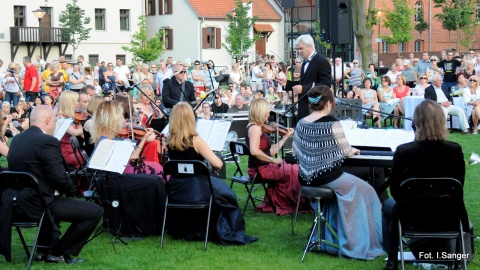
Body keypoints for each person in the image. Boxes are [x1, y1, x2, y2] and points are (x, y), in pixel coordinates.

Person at [292, 85, 384, 259]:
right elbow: (344, 150)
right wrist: (353, 150)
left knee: (358, 189)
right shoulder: (331, 122)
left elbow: (296, 151)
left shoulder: (301, 122)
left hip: (306, 178)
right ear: (328, 103)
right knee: (368, 190)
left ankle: (332, 239)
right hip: (329, 177)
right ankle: (361, 243)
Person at [3, 105, 102, 264]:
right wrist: (72, 191)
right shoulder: (47, 141)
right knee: (94, 211)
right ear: (48, 120)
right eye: (55, 120)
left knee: (55, 197)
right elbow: (59, 176)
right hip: (38, 204)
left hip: (15, 203)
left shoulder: (18, 139)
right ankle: (58, 252)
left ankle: (43, 250)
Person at [382, 100, 467, 270]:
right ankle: (457, 261)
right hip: (448, 215)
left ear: (416, 123)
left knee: (387, 204)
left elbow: (395, 191)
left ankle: (392, 260)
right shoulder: (454, 150)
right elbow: (458, 186)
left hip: (411, 216)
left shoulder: (404, 151)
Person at [165, 102, 257, 245]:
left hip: (177, 189)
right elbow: (218, 164)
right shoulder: (195, 140)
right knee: (228, 195)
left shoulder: (169, 140)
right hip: (197, 189)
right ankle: (227, 229)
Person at [246, 98, 309, 215]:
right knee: (294, 171)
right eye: (267, 111)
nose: (268, 114)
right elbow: (254, 151)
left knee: (293, 166)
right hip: (259, 170)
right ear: (260, 111)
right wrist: (272, 160)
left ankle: (280, 201)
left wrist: (285, 137)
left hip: (264, 166)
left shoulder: (257, 126)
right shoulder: (255, 128)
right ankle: (295, 203)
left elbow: (271, 150)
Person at [92, 100, 162, 175]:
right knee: (158, 168)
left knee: (157, 167)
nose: (121, 118)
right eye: (119, 115)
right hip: (122, 174)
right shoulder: (107, 138)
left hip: (119, 171)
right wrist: (144, 138)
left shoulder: (103, 134)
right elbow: (133, 157)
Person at [278, 34, 331, 120]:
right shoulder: (304, 63)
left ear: (309, 46)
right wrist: (287, 83)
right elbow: (303, 83)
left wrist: (304, 89)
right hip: (303, 108)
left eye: (301, 48)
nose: (299, 51)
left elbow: (326, 85)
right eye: (298, 49)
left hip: (315, 109)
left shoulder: (322, 62)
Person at [56, 91, 83, 167]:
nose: (79, 103)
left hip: (74, 151)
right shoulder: (60, 118)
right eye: (76, 101)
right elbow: (74, 132)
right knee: (88, 157)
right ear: (69, 103)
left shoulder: (72, 118)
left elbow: (83, 136)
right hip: (65, 154)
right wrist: (90, 127)